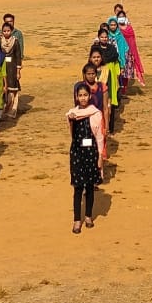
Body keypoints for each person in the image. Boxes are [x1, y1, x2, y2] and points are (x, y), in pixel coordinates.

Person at [67, 83, 105, 233]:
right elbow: (71, 133)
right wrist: (71, 119)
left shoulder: (95, 113)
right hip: (77, 153)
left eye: (85, 95)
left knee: (89, 187)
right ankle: (77, 220)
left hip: (91, 153)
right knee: (78, 188)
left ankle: (88, 216)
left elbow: (99, 137)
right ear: (76, 97)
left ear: (89, 96)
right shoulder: (72, 113)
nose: (83, 98)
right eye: (80, 95)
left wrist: (100, 156)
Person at [0, 13, 25, 118]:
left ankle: (12, 109)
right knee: (3, 86)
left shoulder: (18, 35)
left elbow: (20, 52)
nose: (9, 23)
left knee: (13, 86)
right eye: (7, 21)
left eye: (11, 21)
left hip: (13, 66)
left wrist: (19, 68)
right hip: (2, 66)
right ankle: (2, 109)